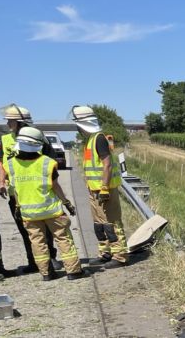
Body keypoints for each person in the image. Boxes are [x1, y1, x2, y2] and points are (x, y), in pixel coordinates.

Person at [1, 127, 84, 281]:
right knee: (63, 238)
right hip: (52, 211)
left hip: (29, 214)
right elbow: (55, 186)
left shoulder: (11, 164)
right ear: (38, 144)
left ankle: (47, 274)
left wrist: (18, 207)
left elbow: (16, 189)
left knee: (37, 243)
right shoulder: (47, 163)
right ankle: (73, 271)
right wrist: (66, 202)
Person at [0, 104, 60, 275]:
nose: (8, 123)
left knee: (45, 228)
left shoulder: (39, 137)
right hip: (17, 194)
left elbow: (51, 162)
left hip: (39, 192)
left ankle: (50, 259)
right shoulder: (6, 139)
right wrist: (1, 182)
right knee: (26, 230)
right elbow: (3, 163)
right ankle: (33, 261)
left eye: (11, 120)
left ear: (20, 122)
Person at [70, 105, 127, 268]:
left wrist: (104, 187)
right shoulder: (90, 140)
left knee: (112, 223)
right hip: (94, 190)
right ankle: (105, 253)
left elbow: (107, 164)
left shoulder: (99, 139)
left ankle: (120, 255)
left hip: (104, 190)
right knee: (99, 224)